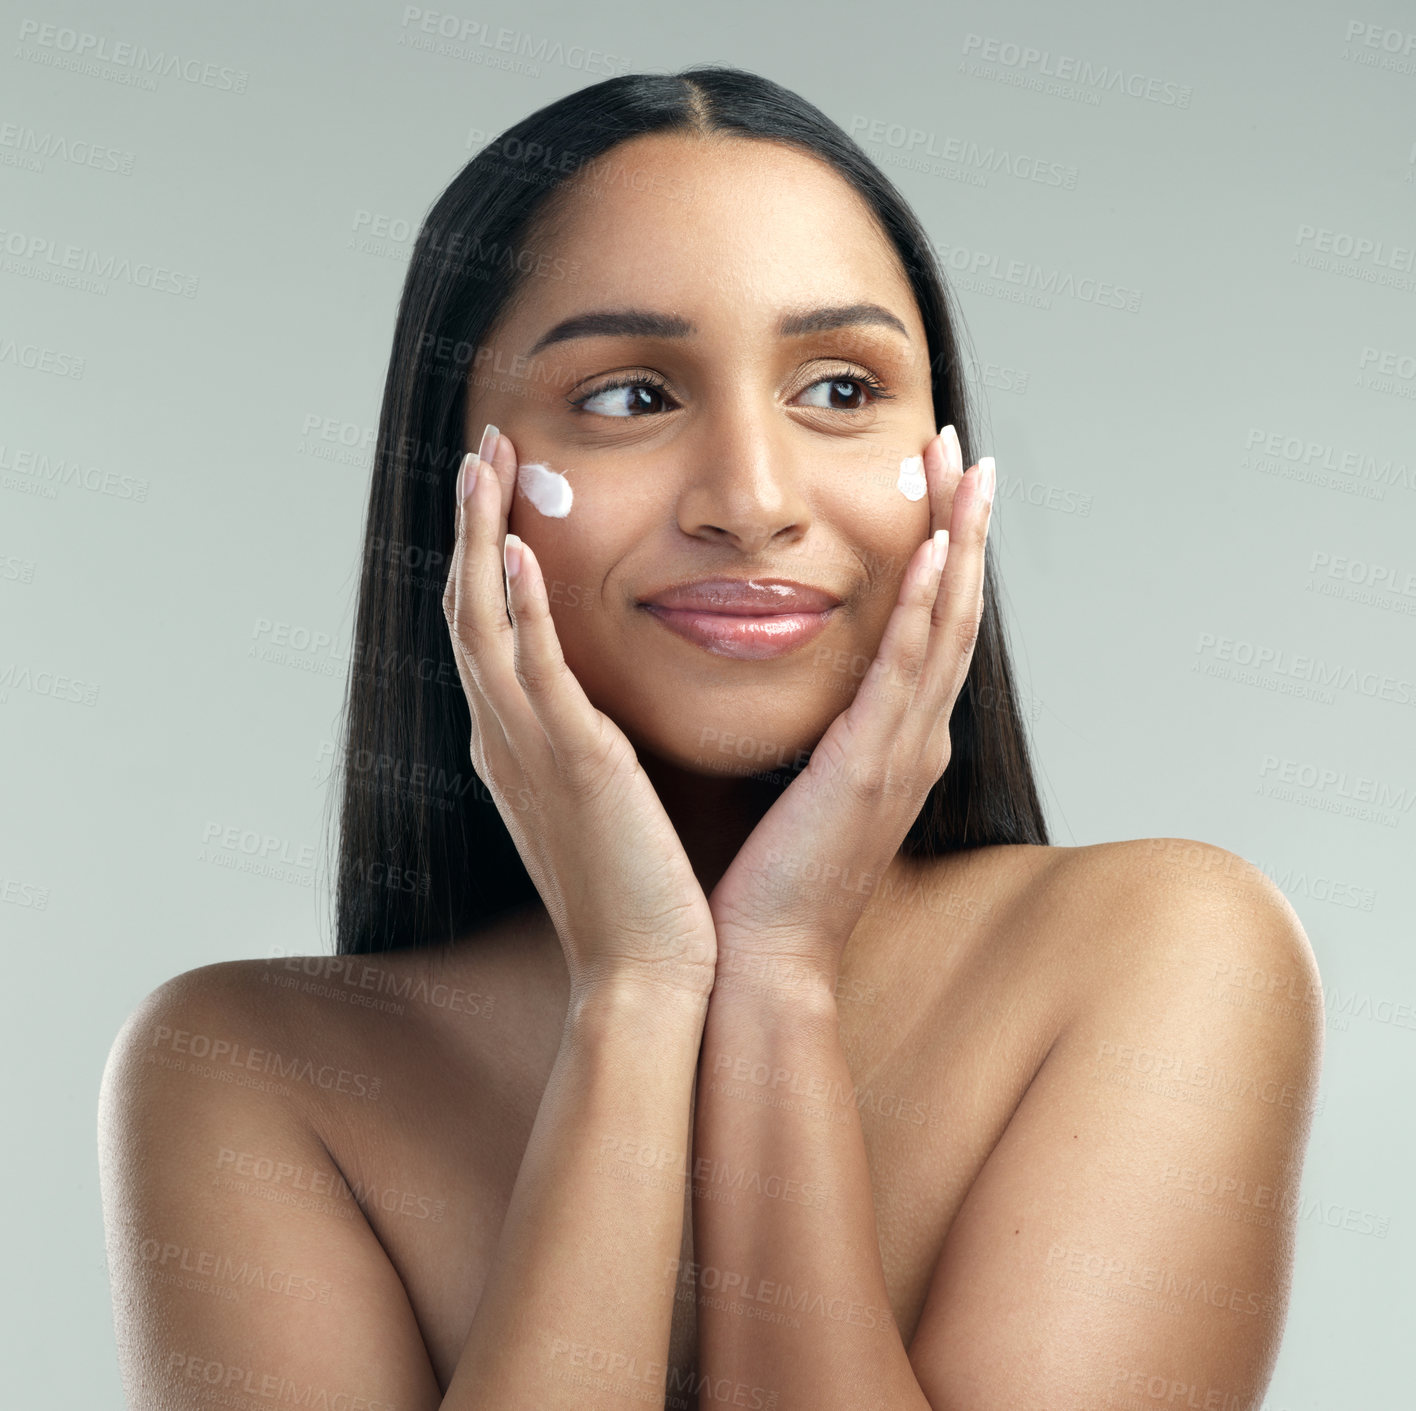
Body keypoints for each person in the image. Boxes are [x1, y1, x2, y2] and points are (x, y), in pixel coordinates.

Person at [99, 64, 1324, 1411]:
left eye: (844, 391)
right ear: (457, 481)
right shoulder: (246, 1073)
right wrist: (634, 995)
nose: (753, 499)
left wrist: (781, 979)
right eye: (632, 397)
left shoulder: (1165, 949)